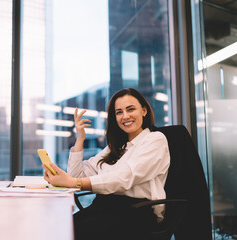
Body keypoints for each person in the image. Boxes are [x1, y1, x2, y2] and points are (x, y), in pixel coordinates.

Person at [43, 88, 170, 239]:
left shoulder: (155, 139)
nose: (125, 116)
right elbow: (75, 175)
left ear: (144, 111)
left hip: (136, 211)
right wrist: (80, 139)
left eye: (130, 109)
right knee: (58, 226)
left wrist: (75, 182)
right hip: (104, 207)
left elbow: (125, 177)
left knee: (69, 233)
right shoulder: (116, 147)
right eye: (119, 112)